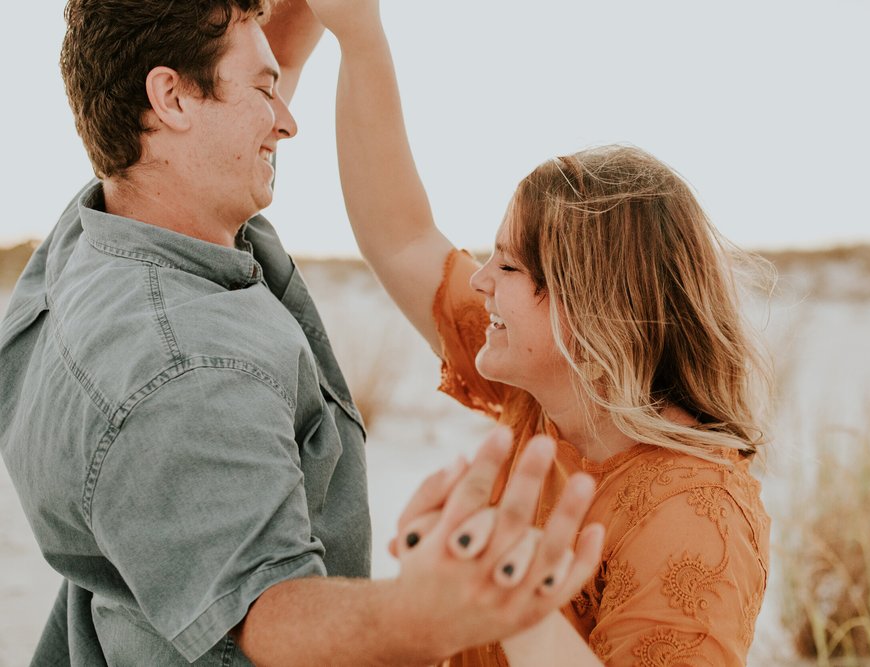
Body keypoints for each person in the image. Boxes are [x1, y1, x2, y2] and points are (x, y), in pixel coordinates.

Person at [0, 0, 605, 664]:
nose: (286, 119)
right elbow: (269, 611)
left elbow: (263, 63)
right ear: (170, 97)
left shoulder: (102, 227)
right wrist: (420, 616)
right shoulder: (185, 367)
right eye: (265, 92)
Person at [304, 0, 774, 664]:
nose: (479, 281)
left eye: (509, 263)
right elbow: (401, 235)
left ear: (591, 311)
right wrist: (359, 35)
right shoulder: (545, 391)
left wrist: (508, 599)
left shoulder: (696, 516)